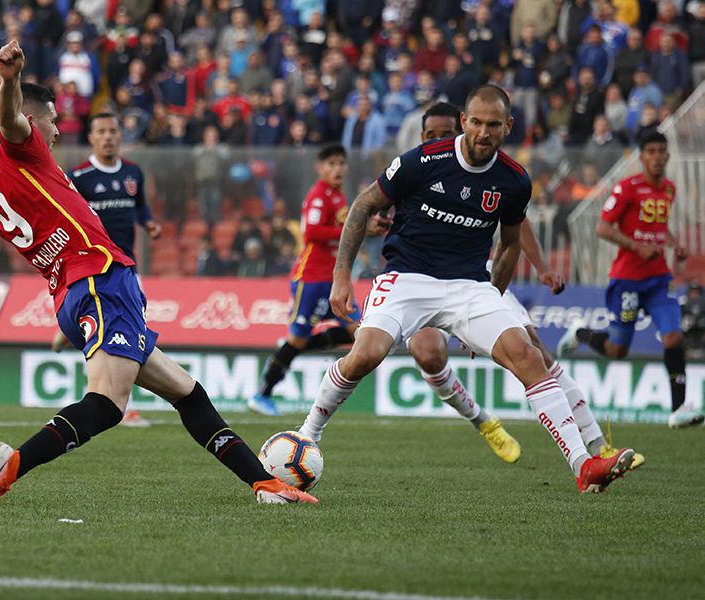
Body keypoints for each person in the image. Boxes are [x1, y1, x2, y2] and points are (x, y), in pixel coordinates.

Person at [0, 40, 317, 507]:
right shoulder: (25, 149)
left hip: (80, 293)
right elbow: (8, 119)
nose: (57, 131)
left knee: (187, 392)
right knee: (107, 404)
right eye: (53, 121)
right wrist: (10, 79)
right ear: (34, 123)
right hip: (99, 280)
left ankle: (266, 484)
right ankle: (12, 464)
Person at [298, 84, 636, 494]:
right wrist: (342, 275)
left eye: (493, 124)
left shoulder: (513, 180)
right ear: (464, 121)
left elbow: (510, 244)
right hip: (407, 278)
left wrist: (492, 307)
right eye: (476, 122)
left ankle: (584, 465)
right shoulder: (422, 161)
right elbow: (363, 206)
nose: (483, 132)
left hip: (469, 285)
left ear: (507, 126)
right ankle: (308, 434)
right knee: (365, 355)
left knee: (528, 355)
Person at [406, 102, 642, 468]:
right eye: (431, 136)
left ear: (461, 129)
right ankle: (482, 421)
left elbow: (517, 226)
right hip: (418, 280)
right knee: (429, 355)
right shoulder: (413, 171)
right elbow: (377, 212)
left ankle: (598, 447)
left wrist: (542, 268)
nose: (438, 140)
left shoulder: (489, 174)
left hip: (474, 279)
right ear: (422, 138)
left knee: (536, 352)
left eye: (445, 133)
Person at [558, 131, 705, 430]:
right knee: (617, 351)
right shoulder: (627, 188)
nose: (657, 156)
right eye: (650, 151)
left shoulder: (669, 190)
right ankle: (581, 333)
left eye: (661, 150)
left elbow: (660, 227)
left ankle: (678, 409)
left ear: (667, 155)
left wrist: (674, 243)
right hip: (627, 281)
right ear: (641, 156)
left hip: (658, 280)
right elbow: (602, 228)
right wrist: (636, 246)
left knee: (674, 336)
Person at [249, 144, 391, 416]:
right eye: (331, 164)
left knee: (358, 331)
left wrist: (367, 229)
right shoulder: (318, 196)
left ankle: (288, 351)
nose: (337, 168)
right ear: (320, 167)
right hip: (311, 279)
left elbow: (343, 232)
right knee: (300, 339)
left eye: (341, 163)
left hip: (334, 281)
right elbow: (312, 232)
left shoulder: (338, 196)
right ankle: (262, 393)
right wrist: (352, 227)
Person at [51, 111, 163, 427]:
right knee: (128, 335)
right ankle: (123, 405)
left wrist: (149, 223)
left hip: (126, 268)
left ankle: (70, 331)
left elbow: (140, 207)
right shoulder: (79, 177)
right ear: (91, 137)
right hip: (93, 271)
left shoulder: (133, 173)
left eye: (114, 130)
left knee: (131, 332)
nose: (109, 137)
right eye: (101, 131)